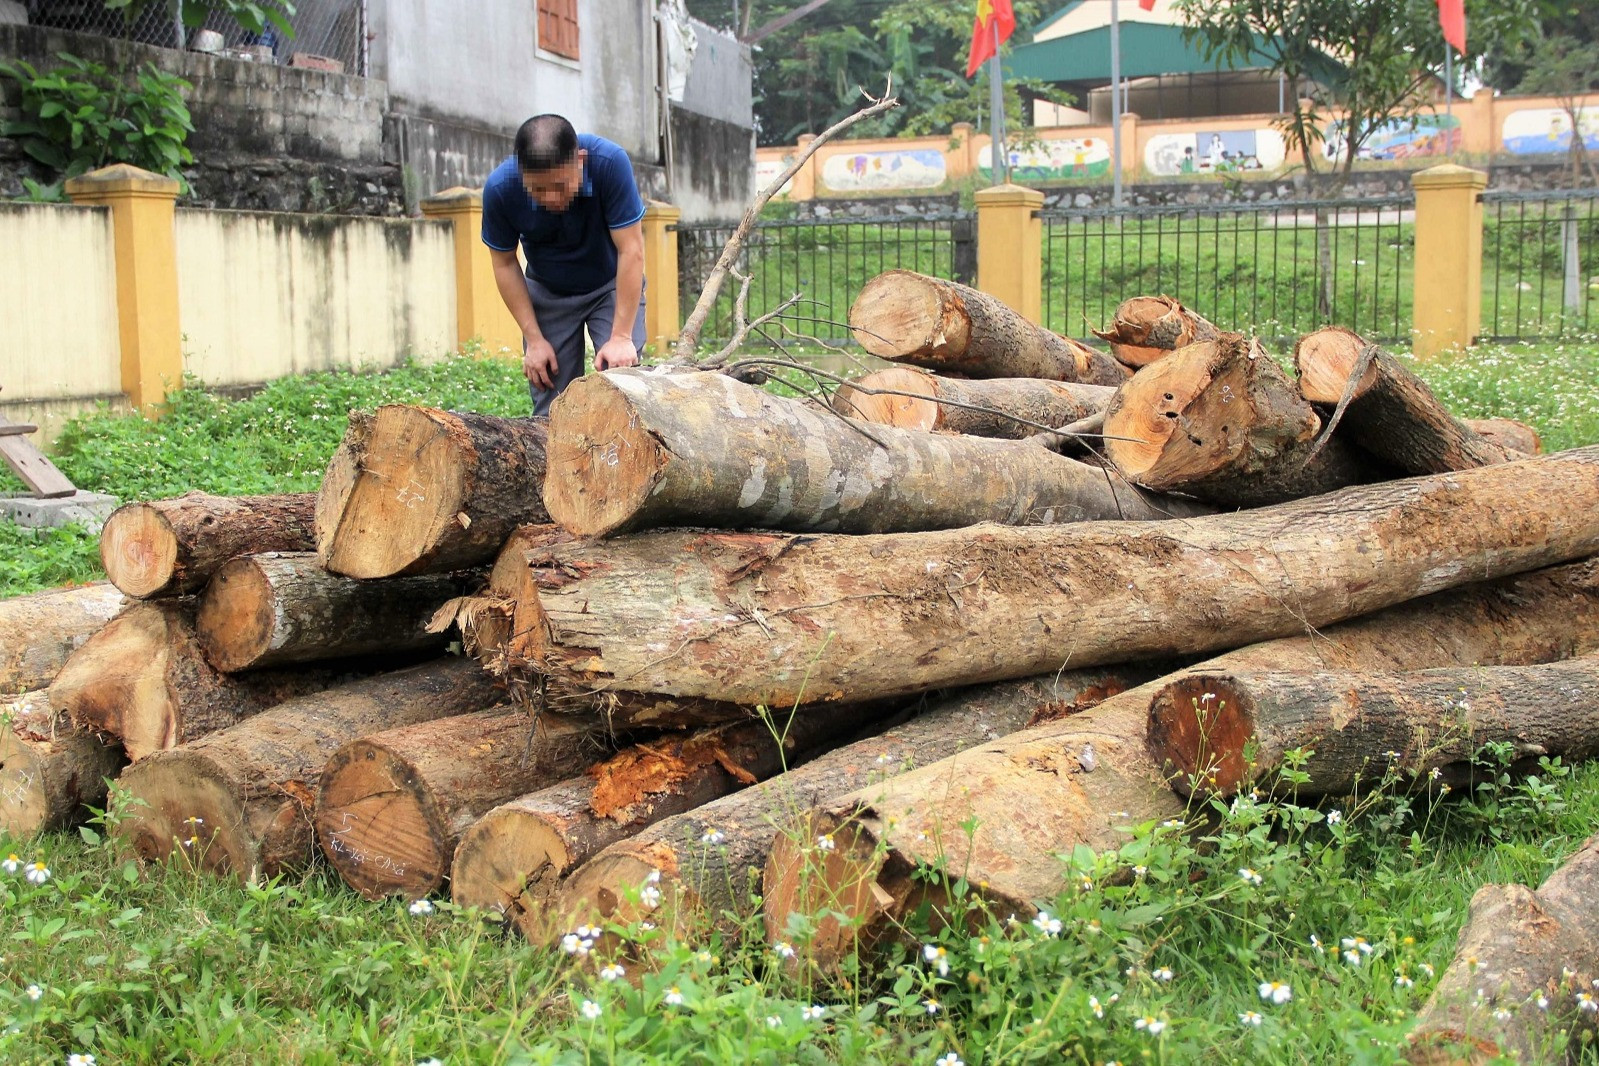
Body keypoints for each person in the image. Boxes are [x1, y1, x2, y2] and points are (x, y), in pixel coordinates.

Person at [481, 115, 647, 415]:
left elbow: (631, 250)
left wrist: (621, 337)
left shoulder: (609, 164)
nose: (552, 198)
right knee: (552, 404)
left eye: (560, 185)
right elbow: (504, 263)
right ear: (521, 175)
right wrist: (533, 339)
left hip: (610, 285)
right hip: (548, 292)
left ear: (580, 160)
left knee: (625, 387)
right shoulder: (501, 189)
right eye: (538, 190)